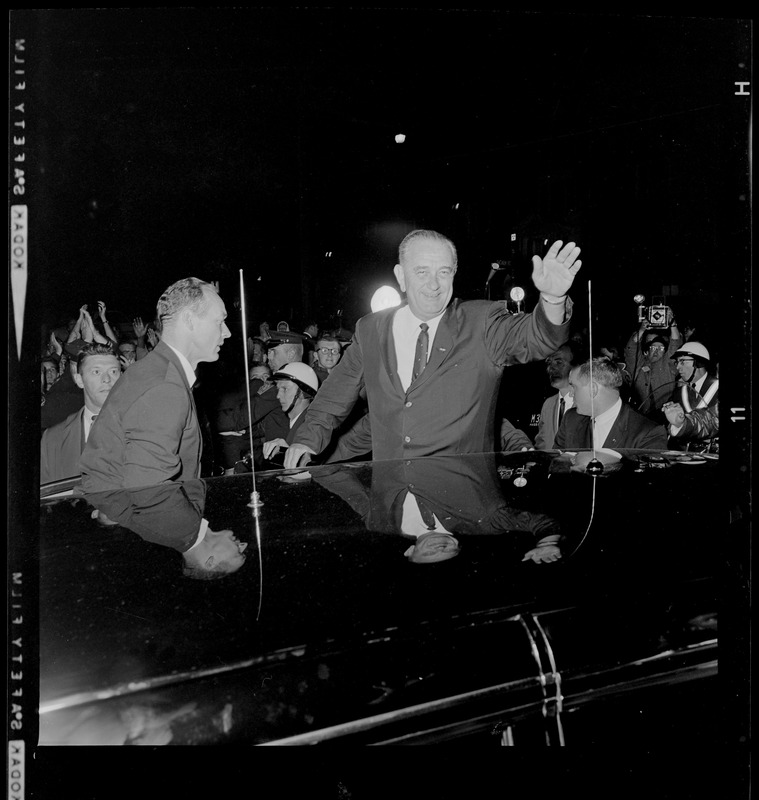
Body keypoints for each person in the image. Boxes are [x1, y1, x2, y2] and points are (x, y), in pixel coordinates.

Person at [284, 230, 581, 468]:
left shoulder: (482, 322)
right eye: (422, 272)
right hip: (392, 503)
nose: (434, 285)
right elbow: (333, 399)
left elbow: (538, 337)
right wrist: (306, 443)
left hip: (465, 501)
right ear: (401, 277)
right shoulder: (370, 329)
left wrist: (553, 299)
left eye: (444, 272)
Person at [79, 277, 231, 492]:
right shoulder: (165, 387)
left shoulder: (154, 369)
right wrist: (196, 527)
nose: (227, 332)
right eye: (219, 321)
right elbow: (149, 496)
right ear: (189, 320)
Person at [40, 343, 122, 484]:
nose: (107, 379)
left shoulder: (143, 430)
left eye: (113, 371)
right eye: (96, 372)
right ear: (79, 380)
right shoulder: (53, 439)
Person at [554, 357, 668, 451]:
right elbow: (556, 468)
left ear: (593, 389)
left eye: (574, 386)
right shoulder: (571, 420)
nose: (570, 393)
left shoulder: (648, 433)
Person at [662, 342, 719, 452]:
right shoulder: (679, 393)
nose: (678, 367)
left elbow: (712, 421)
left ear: (699, 363)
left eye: (682, 362)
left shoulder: (717, 388)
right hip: (684, 456)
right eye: (677, 362)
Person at [624, 316, 682, 421]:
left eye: (661, 348)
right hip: (639, 416)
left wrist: (672, 323)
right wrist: (641, 329)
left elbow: (675, 345)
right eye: (653, 348)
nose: (656, 351)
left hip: (664, 416)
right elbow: (631, 350)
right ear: (647, 351)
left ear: (665, 352)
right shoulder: (639, 365)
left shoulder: (669, 366)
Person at [262, 362, 320, 463]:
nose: (278, 396)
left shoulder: (313, 427)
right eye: (278, 389)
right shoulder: (284, 420)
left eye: (285, 389)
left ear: (303, 393)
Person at [534, 344, 579, 450]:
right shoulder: (548, 404)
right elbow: (542, 444)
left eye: (559, 363)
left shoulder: (586, 403)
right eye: (549, 363)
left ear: (575, 366)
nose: (551, 368)